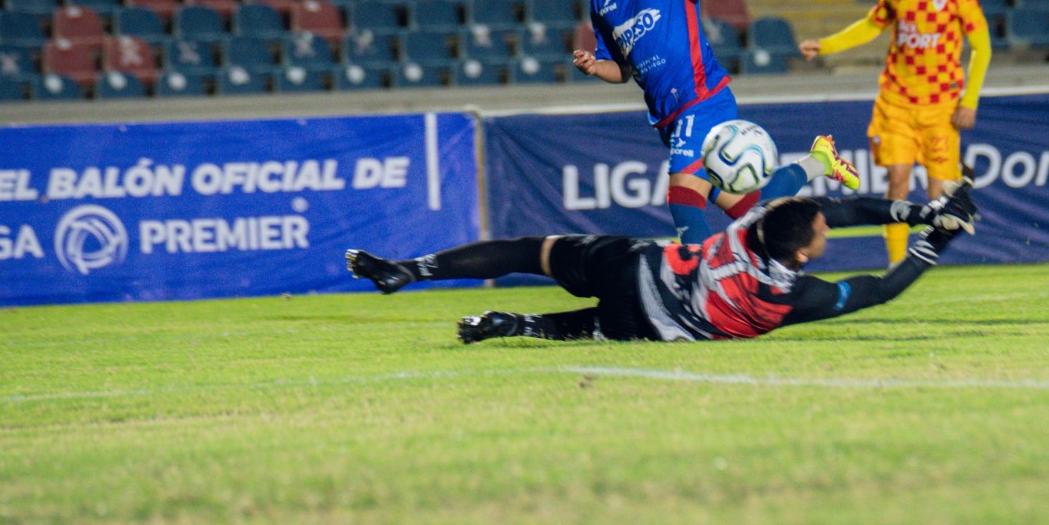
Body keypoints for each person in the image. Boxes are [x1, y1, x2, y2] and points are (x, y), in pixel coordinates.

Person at [574, 0, 858, 243]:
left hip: (702, 99)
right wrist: (596, 67)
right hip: (668, 120)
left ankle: (699, 285)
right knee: (751, 209)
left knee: (682, 199)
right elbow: (623, 71)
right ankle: (820, 160)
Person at [345, 181, 977, 344]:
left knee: (527, 251)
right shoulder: (792, 296)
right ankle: (519, 325)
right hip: (650, 324)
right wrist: (935, 234)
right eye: (820, 230)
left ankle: (410, 269)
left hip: (636, 266)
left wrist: (923, 211)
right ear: (805, 252)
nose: (826, 225)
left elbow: (837, 210)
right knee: (593, 327)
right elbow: (881, 289)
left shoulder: (755, 224)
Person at [799, 0, 991, 265]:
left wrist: (971, 100)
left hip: (941, 107)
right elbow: (870, 28)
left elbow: (983, 46)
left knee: (940, 195)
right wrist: (825, 46)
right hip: (897, 102)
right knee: (898, 181)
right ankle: (896, 264)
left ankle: (925, 264)